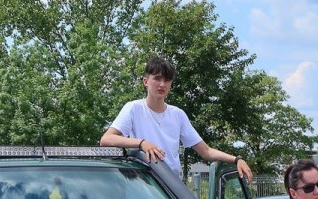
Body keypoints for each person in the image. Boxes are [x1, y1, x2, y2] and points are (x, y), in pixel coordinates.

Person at [101, 56, 253, 181]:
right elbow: (106, 140)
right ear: (145, 81)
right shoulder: (134, 108)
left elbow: (205, 151)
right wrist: (142, 143)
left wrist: (236, 159)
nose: (162, 84)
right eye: (157, 78)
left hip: (171, 190)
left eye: (167, 80)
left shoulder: (178, 114)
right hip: (142, 188)